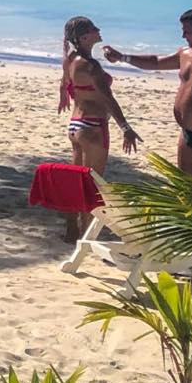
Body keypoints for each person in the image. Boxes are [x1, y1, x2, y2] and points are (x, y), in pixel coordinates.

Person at [108, 7, 192, 182]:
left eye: (187, 32)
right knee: (185, 187)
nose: (183, 36)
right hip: (187, 133)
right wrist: (122, 57)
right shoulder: (186, 54)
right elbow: (156, 62)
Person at [58, 15, 140, 241]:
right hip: (93, 126)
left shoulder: (71, 59)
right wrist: (126, 127)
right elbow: (108, 99)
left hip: (75, 125)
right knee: (92, 184)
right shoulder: (91, 66)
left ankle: (71, 230)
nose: (99, 30)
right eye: (94, 29)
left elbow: (65, 82)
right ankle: (86, 237)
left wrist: (63, 96)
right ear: (84, 37)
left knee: (78, 180)